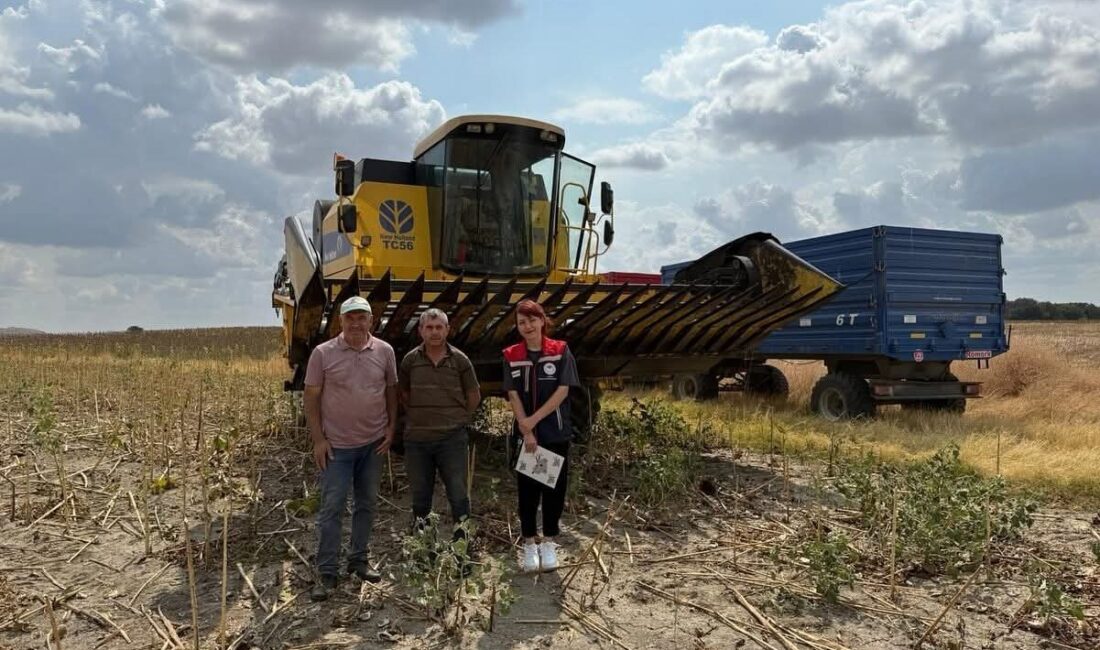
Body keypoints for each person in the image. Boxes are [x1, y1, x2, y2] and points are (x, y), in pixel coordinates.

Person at [304, 296, 398, 601]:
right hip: (338, 448)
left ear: (371, 321)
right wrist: (318, 439)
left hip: (373, 444)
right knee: (331, 508)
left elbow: (391, 390)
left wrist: (391, 427)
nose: (356, 324)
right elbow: (311, 398)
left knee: (367, 504)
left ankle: (358, 561)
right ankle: (327, 571)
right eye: (350, 318)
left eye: (362, 318)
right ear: (340, 322)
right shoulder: (323, 353)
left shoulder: (384, 351)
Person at [502, 299, 580, 573]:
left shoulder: (560, 351)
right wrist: (525, 428)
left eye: (532, 320)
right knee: (527, 490)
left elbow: (563, 391)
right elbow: (512, 393)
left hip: (553, 432)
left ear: (543, 320)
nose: (528, 326)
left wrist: (532, 422)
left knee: (553, 489)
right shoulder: (511, 354)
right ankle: (528, 544)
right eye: (522, 322)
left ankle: (548, 541)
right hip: (527, 435)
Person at [399, 308, 481, 536]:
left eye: (439, 327)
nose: (434, 332)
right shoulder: (410, 361)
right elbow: (404, 395)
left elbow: (473, 396)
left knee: (458, 495)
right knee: (420, 497)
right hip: (417, 442)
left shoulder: (460, 360)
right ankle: (425, 549)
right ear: (420, 331)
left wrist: (460, 419)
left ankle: (461, 548)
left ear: (447, 330)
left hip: (452, 440)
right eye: (429, 327)